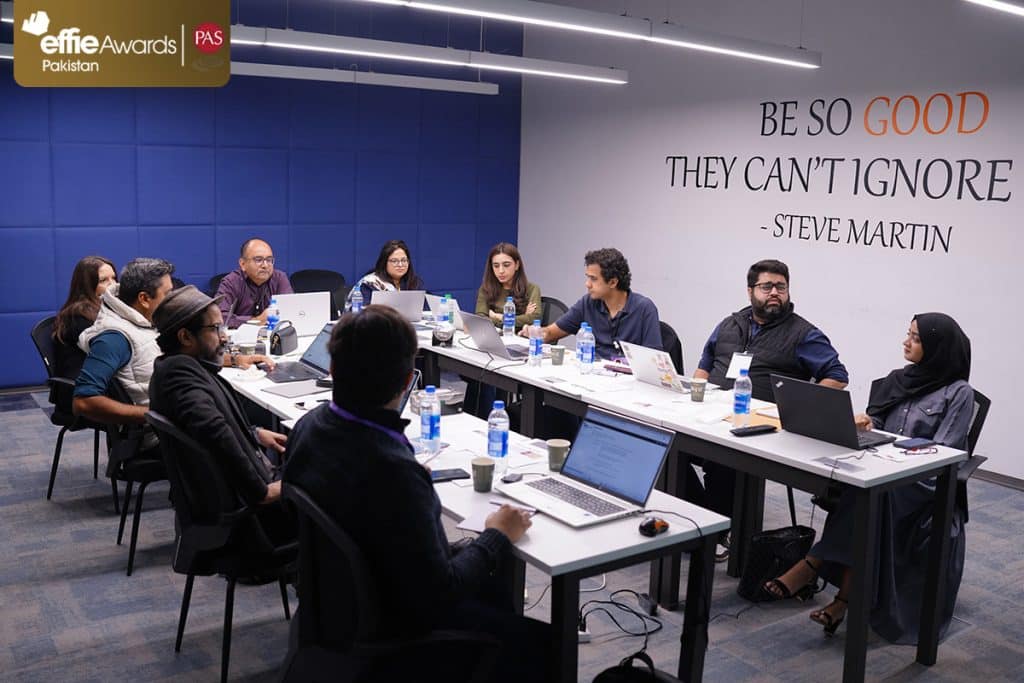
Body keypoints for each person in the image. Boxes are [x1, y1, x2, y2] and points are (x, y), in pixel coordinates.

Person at [283, 305, 550, 682]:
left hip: (331, 609)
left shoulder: (308, 427)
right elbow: (443, 592)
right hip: (394, 629)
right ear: (409, 379)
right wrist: (497, 534)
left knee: (490, 584)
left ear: (332, 369)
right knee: (546, 644)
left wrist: (407, 485)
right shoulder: (392, 469)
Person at [762, 313, 973, 643]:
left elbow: (945, 452)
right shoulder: (899, 379)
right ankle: (841, 600)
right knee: (862, 490)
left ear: (937, 348)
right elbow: (880, 423)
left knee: (871, 497)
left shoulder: (958, 393)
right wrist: (866, 424)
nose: (906, 342)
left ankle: (812, 564)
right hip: (884, 468)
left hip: (923, 484)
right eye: (908, 334)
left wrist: (898, 457)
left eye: (916, 338)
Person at [688, 259, 849, 558]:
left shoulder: (803, 334)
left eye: (781, 287)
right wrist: (696, 398)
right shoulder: (729, 324)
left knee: (724, 459)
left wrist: (795, 409)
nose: (775, 292)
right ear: (750, 291)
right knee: (666, 449)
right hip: (710, 415)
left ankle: (714, 533)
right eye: (767, 287)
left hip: (760, 428)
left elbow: (837, 376)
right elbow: (704, 364)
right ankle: (700, 523)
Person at [149, 286, 293, 551]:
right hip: (256, 523)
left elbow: (209, 433)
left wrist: (253, 433)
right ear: (185, 337)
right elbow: (213, 432)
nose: (224, 336)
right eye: (215, 329)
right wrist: (263, 492)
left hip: (243, 501)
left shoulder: (176, 367)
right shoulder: (180, 380)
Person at [73, 258, 175, 424]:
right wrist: (157, 415)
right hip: (163, 430)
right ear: (144, 299)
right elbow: (83, 402)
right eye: (168, 295)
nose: (172, 300)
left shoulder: (148, 321)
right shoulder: (114, 338)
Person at [522, 247, 661, 359]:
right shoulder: (587, 303)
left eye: (593, 279)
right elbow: (551, 333)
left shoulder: (644, 308)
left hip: (628, 381)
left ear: (613, 282)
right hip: (592, 375)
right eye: (587, 278)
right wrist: (536, 332)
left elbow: (653, 360)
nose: (587, 284)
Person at [53, 256, 117, 379]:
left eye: (113, 278)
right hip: (87, 382)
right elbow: (109, 352)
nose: (113, 284)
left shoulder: (107, 309)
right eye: (103, 280)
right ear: (87, 286)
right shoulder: (77, 317)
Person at [217, 238, 293, 329]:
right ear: (243, 264)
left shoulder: (279, 278)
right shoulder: (231, 282)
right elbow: (219, 317)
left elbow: (290, 311)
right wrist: (256, 320)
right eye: (258, 260)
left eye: (269, 260)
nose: (265, 265)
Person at [475, 242, 541, 332]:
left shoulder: (532, 289)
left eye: (506, 265)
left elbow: (534, 319)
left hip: (520, 338)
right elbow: (481, 319)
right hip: (494, 336)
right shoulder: (485, 288)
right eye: (496, 266)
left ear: (517, 265)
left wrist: (497, 316)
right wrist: (522, 318)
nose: (501, 271)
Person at [346, 239, 425, 309]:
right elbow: (361, 313)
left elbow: (426, 311)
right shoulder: (370, 284)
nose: (400, 265)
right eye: (394, 261)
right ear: (384, 263)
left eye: (404, 260)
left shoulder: (414, 283)